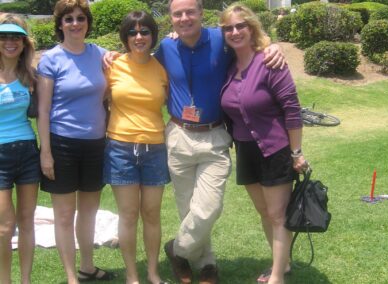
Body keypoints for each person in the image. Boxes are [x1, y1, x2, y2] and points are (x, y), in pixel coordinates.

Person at [154, 1, 286, 284]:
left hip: (214, 136)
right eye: (178, 13)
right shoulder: (166, 47)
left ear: (202, 13)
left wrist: (272, 46)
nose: (184, 18)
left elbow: (250, 43)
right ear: (171, 18)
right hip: (178, 135)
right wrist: (107, 56)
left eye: (190, 11)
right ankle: (207, 264)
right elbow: (139, 59)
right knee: (188, 208)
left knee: (209, 207)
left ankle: (177, 249)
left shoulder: (221, 39)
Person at [219, 4, 308, 284]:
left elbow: (292, 109)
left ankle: (277, 277)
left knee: (277, 215)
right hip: (246, 151)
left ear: (252, 28)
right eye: (228, 28)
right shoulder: (230, 65)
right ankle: (283, 263)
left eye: (240, 26)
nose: (235, 32)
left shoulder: (269, 62)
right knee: (264, 213)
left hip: (275, 150)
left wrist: (296, 152)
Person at [36, 1, 114, 283]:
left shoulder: (99, 54)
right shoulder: (51, 59)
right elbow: (43, 110)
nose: (75, 23)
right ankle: (71, 276)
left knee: (89, 213)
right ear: (60, 24)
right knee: (65, 215)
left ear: (87, 22)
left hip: (95, 144)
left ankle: (87, 267)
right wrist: (46, 152)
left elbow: (132, 56)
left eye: (81, 18)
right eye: (68, 19)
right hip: (62, 144)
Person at [103, 11, 169, 284]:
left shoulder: (162, 66)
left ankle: (153, 273)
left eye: (144, 32)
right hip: (120, 147)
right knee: (128, 215)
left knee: (152, 214)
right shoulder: (111, 65)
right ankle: (132, 277)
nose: (139, 37)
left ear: (153, 35)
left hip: (155, 147)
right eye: (132, 32)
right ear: (125, 37)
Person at [0, 14, 39, 284]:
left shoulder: (30, 76)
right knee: (3, 228)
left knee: (27, 222)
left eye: (15, 37)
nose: (9, 42)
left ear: (24, 43)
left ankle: (25, 280)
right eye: (3, 37)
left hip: (27, 152)